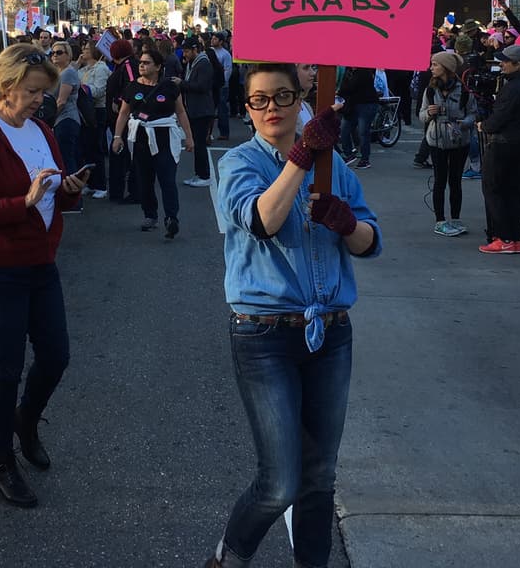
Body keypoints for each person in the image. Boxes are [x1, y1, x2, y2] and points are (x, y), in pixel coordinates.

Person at [206, 65, 381, 568]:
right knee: (280, 479)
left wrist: (347, 225)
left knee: (319, 475)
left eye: (282, 96)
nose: (271, 109)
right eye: (259, 100)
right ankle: (228, 557)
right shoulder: (239, 164)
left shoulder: (335, 168)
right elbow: (262, 219)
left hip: (330, 332)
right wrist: (302, 157)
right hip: (263, 335)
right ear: (247, 109)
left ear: (300, 96)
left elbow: (371, 242)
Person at [0, 44, 87, 508]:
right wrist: (24, 202)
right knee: (5, 366)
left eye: (43, 93)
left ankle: (25, 419)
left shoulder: (43, 130)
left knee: (56, 356)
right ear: (5, 86)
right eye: (31, 92)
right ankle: (0, 459)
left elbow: (52, 191)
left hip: (40, 261)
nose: (39, 101)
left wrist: (67, 190)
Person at [111, 45, 195, 238]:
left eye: (146, 63)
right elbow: (123, 114)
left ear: (158, 67)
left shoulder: (170, 87)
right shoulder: (132, 87)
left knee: (167, 179)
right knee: (145, 180)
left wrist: (189, 137)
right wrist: (117, 137)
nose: (141, 66)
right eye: (140, 62)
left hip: (164, 138)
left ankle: (172, 218)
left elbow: (181, 112)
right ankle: (150, 215)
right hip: (140, 139)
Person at [477, 43, 520, 254]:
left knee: (495, 190)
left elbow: (499, 118)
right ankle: (513, 237)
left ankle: (504, 237)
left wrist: (484, 125)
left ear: (517, 64)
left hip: (504, 143)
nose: (501, 64)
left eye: (505, 61)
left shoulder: (513, 87)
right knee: (511, 191)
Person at [420, 51, 475, 237]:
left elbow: (472, 113)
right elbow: (421, 115)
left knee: (455, 181)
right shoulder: (430, 90)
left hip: (459, 140)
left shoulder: (464, 91)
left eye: (435, 64)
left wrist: (465, 123)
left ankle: (456, 218)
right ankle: (440, 220)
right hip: (436, 141)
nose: (431, 68)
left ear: (446, 68)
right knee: (439, 180)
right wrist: (429, 112)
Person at [49, 41, 84, 204]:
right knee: (64, 157)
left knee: (66, 158)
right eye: (53, 52)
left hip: (66, 119)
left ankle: (73, 198)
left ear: (68, 55)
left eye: (59, 52)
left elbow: (61, 101)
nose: (54, 55)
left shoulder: (68, 73)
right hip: (60, 120)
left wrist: (48, 119)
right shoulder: (60, 72)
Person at [105, 39, 140, 204]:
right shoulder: (123, 66)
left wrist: (119, 100)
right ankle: (119, 191)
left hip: (125, 119)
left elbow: (132, 86)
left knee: (122, 154)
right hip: (120, 118)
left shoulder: (128, 66)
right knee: (123, 155)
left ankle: (128, 192)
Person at [77, 40, 111, 197]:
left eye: (86, 49)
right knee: (86, 147)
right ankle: (90, 182)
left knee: (96, 147)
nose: (83, 51)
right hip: (84, 110)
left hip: (97, 110)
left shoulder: (101, 68)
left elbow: (99, 90)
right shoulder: (83, 69)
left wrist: (83, 89)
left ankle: (101, 185)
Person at [182, 35, 217, 188]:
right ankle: (199, 173)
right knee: (197, 142)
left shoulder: (203, 64)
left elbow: (202, 86)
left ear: (195, 49)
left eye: (187, 51)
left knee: (200, 143)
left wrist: (182, 84)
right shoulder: (194, 63)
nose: (185, 54)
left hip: (202, 110)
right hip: (196, 108)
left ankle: (204, 175)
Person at [336, 66, 379, 170]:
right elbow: (346, 87)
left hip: (366, 104)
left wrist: (341, 91)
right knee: (344, 129)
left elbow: (350, 87)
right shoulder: (349, 71)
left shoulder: (363, 71)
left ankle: (364, 159)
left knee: (363, 132)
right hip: (354, 105)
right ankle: (349, 154)